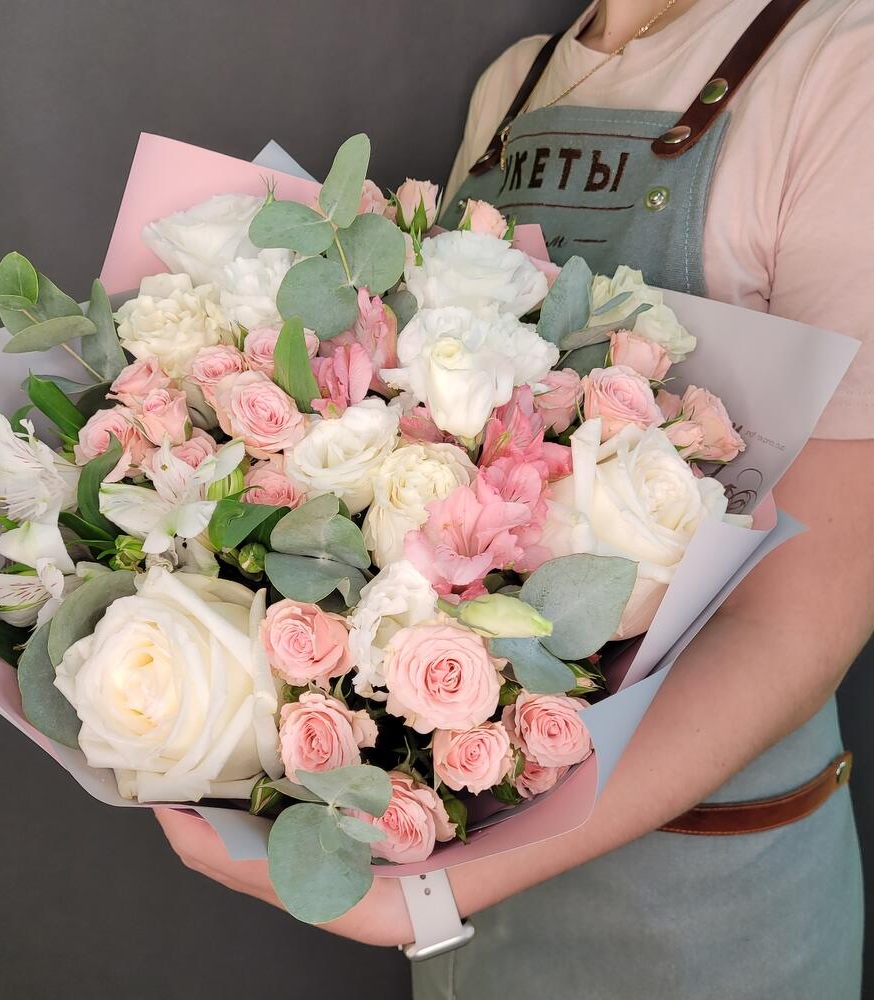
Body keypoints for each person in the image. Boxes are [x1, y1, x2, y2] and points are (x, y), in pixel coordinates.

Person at [155, 0, 874, 996]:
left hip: (693, 910)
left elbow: (803, 619)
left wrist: (432, 894)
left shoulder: (842, 66)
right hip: (468, 884)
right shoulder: (518, 82)